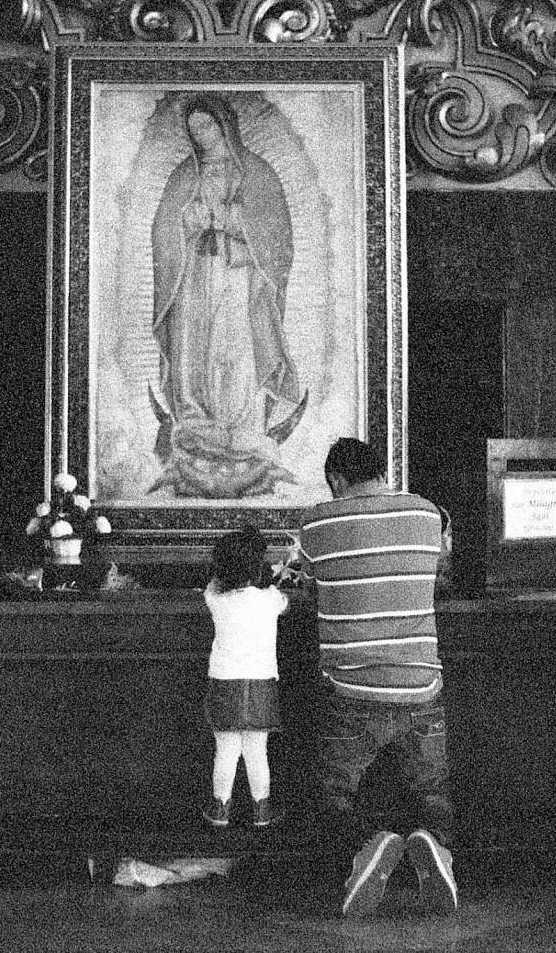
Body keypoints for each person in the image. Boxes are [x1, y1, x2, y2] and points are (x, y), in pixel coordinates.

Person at [294, 437, 458, 917]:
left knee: (333, 794)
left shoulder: (316, 522)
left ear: (337, 481)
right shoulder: (430, 515)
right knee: (433, 790)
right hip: (420, 685)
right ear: (382, 473)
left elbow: (301, 577)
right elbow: (440, 570)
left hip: (351, 690)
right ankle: (436, 847)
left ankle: (364, 851)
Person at [149, 93, 305, 499]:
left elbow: (277, 236)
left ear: (225, 126)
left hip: (239, 278)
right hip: (194, 276)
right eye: (194, 129)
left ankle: (241, 428)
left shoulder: (257, 172)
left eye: (207, 126)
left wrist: (233, 222)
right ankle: (196, 424)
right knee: (194, 350)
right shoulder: (185, 174)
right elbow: (165, 232)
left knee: (235, 348)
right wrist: (187, 223)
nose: (201, 135)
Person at [202, 526, 289, 828]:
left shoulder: (216, 600)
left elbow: (212, 587)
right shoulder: (271, 599)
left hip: (224, 682)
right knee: (257, 750)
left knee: (225, 749)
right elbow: (283, 601)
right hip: (262, 683)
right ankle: (261, 809)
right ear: (259, 567)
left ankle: (220, 809)